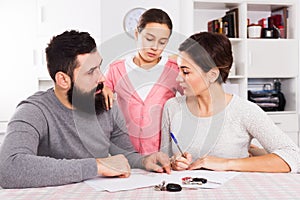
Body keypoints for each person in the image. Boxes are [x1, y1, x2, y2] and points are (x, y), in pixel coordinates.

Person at [0, 30, 171, 189]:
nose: (102, 78)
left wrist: (145, 161)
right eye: (90, 72)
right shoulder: (34, 111)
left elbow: (124, 156)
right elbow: (9, 169)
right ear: (63, 79)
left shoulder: (105, 104)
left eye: (99, 67)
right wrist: (96, 166)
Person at [160, 32, 300, 173]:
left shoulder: (245, 111)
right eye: (179, 70)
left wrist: (226, 164)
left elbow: (294, 156)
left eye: (186, 72)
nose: (178, 78)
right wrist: (173, 162)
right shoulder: (172, 107)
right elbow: (163, 159)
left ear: (212, 75)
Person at [104, 8, 182, 155]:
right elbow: (96, 95)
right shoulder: (116, 69)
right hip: (124, 155)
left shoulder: (174, 69)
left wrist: (186, 60)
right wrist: (102, 88)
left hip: (162, 157)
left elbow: (195, 97)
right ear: (136, 34)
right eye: (149, 39)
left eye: (162, 42)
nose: (154, 47)